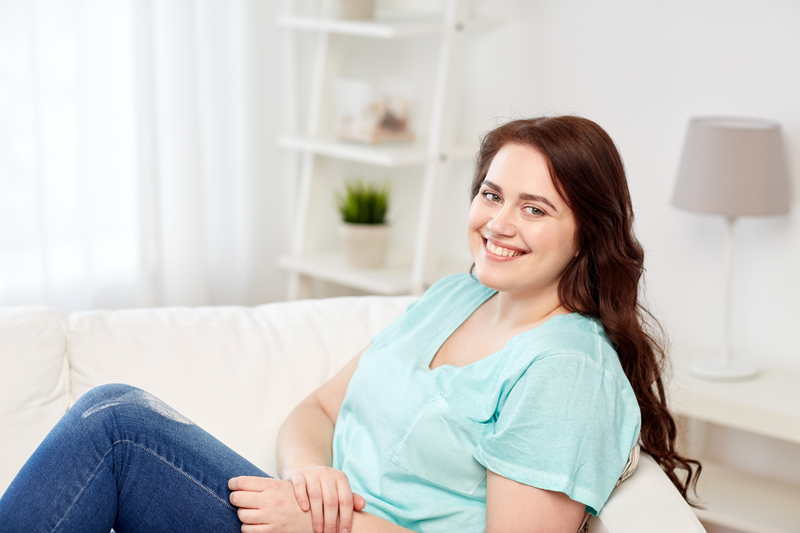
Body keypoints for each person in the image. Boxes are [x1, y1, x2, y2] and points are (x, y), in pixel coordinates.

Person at [0, 116, 700, 533]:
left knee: (115, 425)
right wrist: (313, 483)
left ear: (588, 233)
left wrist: (331, 524)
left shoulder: (565, 372)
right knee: (114, 414)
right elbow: (317, 408)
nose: (498, 222)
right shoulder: (455, 298)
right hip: (308, 518)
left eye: (534, 208)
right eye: (491, 193)